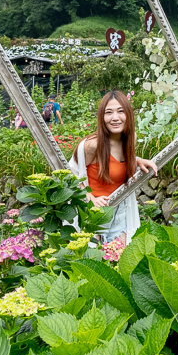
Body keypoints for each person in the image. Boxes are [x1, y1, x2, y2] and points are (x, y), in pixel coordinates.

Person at [68, 90, 158, 242]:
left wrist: (136, 160)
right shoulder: (92, 146)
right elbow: (69, 175)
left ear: (128, 115)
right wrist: (90, 197)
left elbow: (116, 162)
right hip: (93, 215)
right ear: (102, 117)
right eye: (109, 112)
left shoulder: (130, 139)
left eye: (121, 111)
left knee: (122, 260)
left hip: (120, 211)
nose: (115, 118)